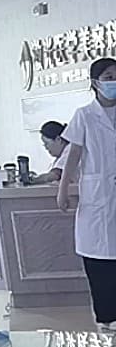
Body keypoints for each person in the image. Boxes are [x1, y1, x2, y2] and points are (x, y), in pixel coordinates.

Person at [57, 60, 116, 325]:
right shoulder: (84, 115)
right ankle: (106, 319)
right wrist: (63, 189)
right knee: (99, 261)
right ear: (95, 83)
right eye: (108, 77)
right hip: (98, 197)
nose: (113, 82)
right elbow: (74, 154)